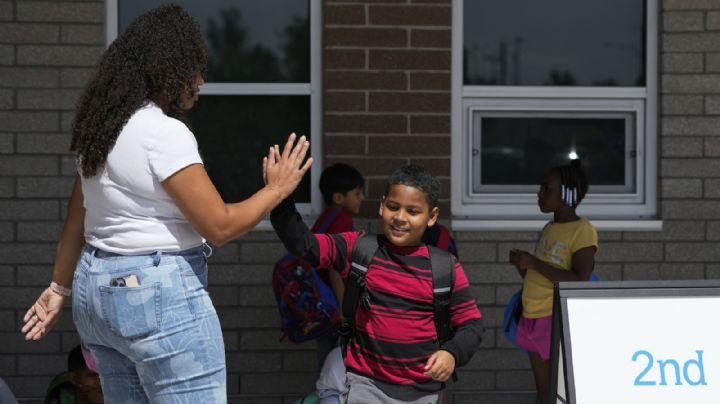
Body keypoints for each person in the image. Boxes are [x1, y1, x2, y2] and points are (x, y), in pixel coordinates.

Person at [21, 4, 311, 403]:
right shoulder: (163, 133)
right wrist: (277, 189)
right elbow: (220, 225)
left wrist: (58, 287)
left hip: (96, 293)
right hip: (154, 293)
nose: (201, 80)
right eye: (195, 67)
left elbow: (77, 218)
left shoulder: (101, 128)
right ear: (169, 68)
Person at [272, 164, 483, 404]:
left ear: (432, 216)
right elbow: (305, 245)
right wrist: (280, 196)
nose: (400, 217)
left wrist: (451, 353)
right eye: (393, 207)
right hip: (365, 387)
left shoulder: (445, 267)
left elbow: (472, 324)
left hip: (423, 394)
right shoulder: (359, 249)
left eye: (413, 211)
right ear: (382, 206)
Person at [508, 159, 598, 404]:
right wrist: (523, 267)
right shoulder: (550, 227)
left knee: (558, 391)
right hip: (533, 316)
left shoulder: (583, 230)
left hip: (554, 318)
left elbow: (580, 280)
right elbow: (544, 275)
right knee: (544, 389)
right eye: (540, 188)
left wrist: (534, 263)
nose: (539, 194)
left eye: (547, 189)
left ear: (568, 193)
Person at [313, 163, 365, 404]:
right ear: (338, 197)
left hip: (320, 306)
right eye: (357, 193)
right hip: (334, 308)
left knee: (326, 366)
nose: (362, 198)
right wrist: (346, 311)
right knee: (338, 369)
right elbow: (335, 267)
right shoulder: (341, 220)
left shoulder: (325, 219)